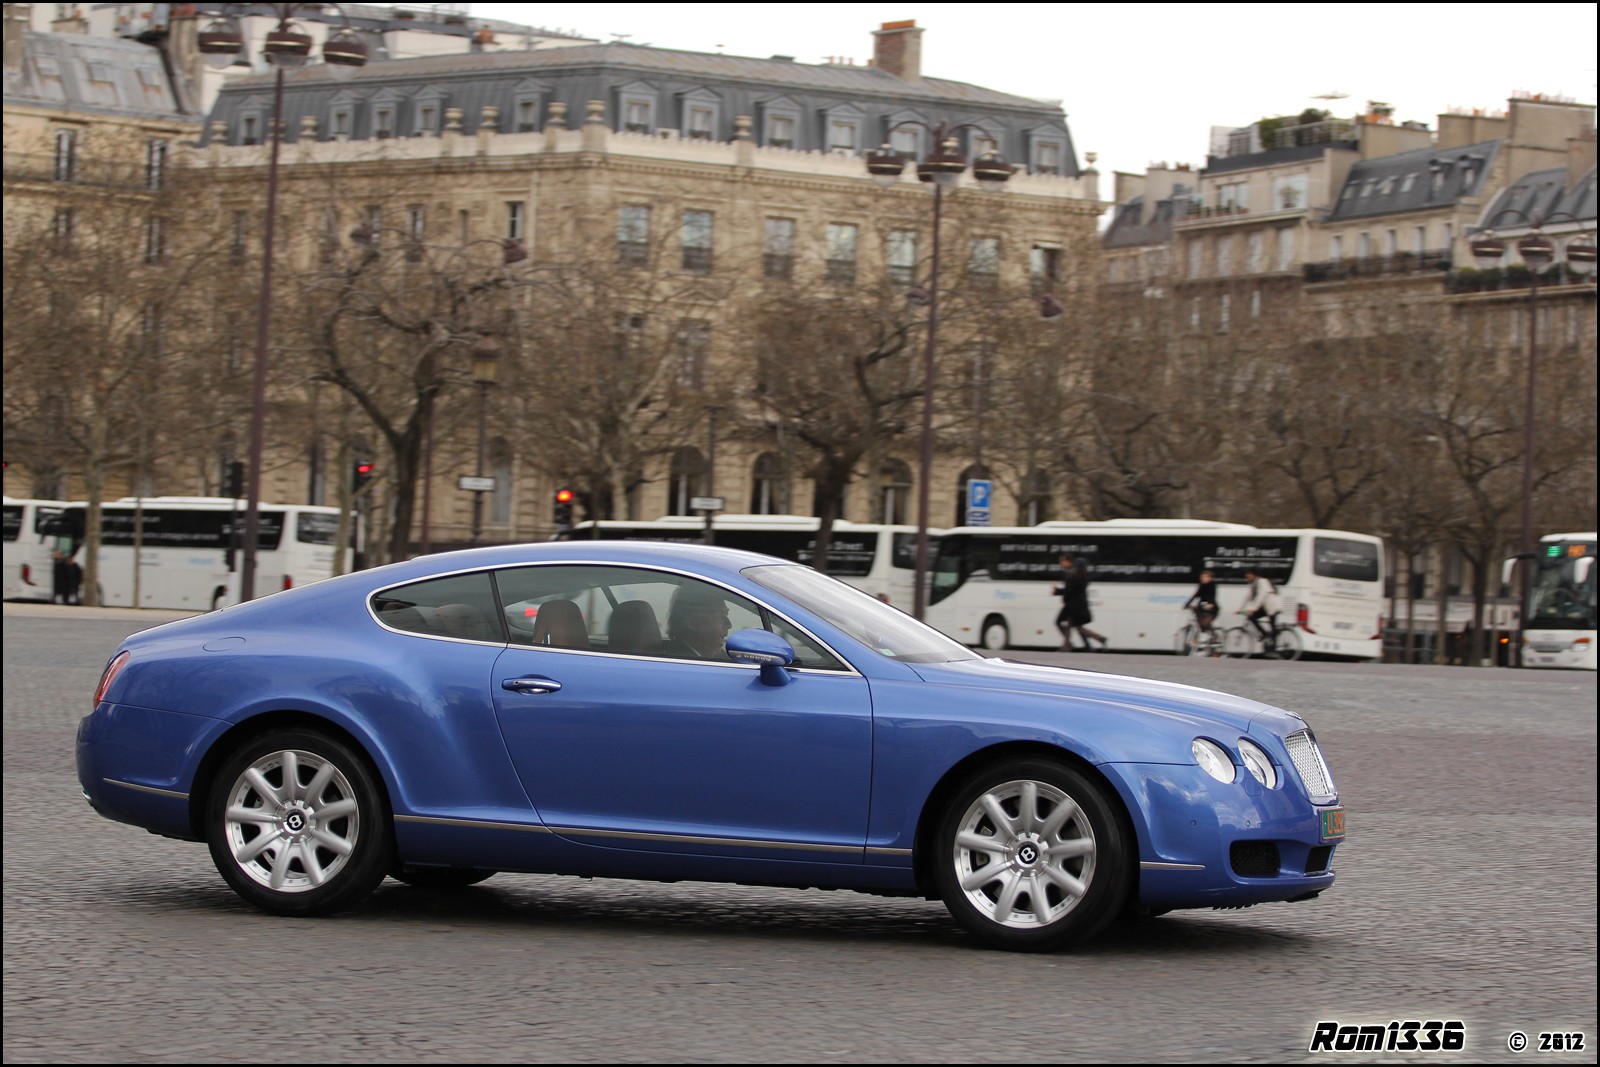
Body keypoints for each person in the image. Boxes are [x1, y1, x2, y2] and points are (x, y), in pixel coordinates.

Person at [659, 584, 733, 660]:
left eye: (726, 615)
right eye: (721, 616)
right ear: (693, 623)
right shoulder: (681, 661)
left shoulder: (709, 657)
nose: (729, 624)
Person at [1054, 556, 1108, 652]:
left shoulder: (1073, 577)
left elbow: (1069, 591)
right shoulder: (1084, 578)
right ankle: (1068, 646)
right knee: (1074, 626)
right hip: (1079, 605)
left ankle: (1099, 638)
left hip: (1072, 606)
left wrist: (1057, 591)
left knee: (1073, 626)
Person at [1238, 567, 1281, 652]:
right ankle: (1265, 635)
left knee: (1272, 626)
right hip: (1265, 606)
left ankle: (1273, 648)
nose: (1247, 575)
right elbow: (1248, 597)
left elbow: (1260, 596)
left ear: (1254, 575)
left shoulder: (1262, 582)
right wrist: (1240, 609)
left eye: (1249, 574)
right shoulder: (1253, 583)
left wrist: (1253, 609)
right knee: (1251, 618)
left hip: (1272, 605)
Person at [1184, 569, 1220, 641]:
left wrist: (1210, 604)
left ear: (1210, 578)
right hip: (1202, 606)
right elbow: (1196, 595)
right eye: (1202, 577)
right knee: (1200, 624)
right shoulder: (1201, 585)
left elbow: (1212, 596)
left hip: (1212, 608)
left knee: (1205, 624)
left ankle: (1214, 636)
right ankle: (1203, 640)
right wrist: (1188, 603)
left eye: (1205, 577)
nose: (1202, 578)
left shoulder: (1213, 585)